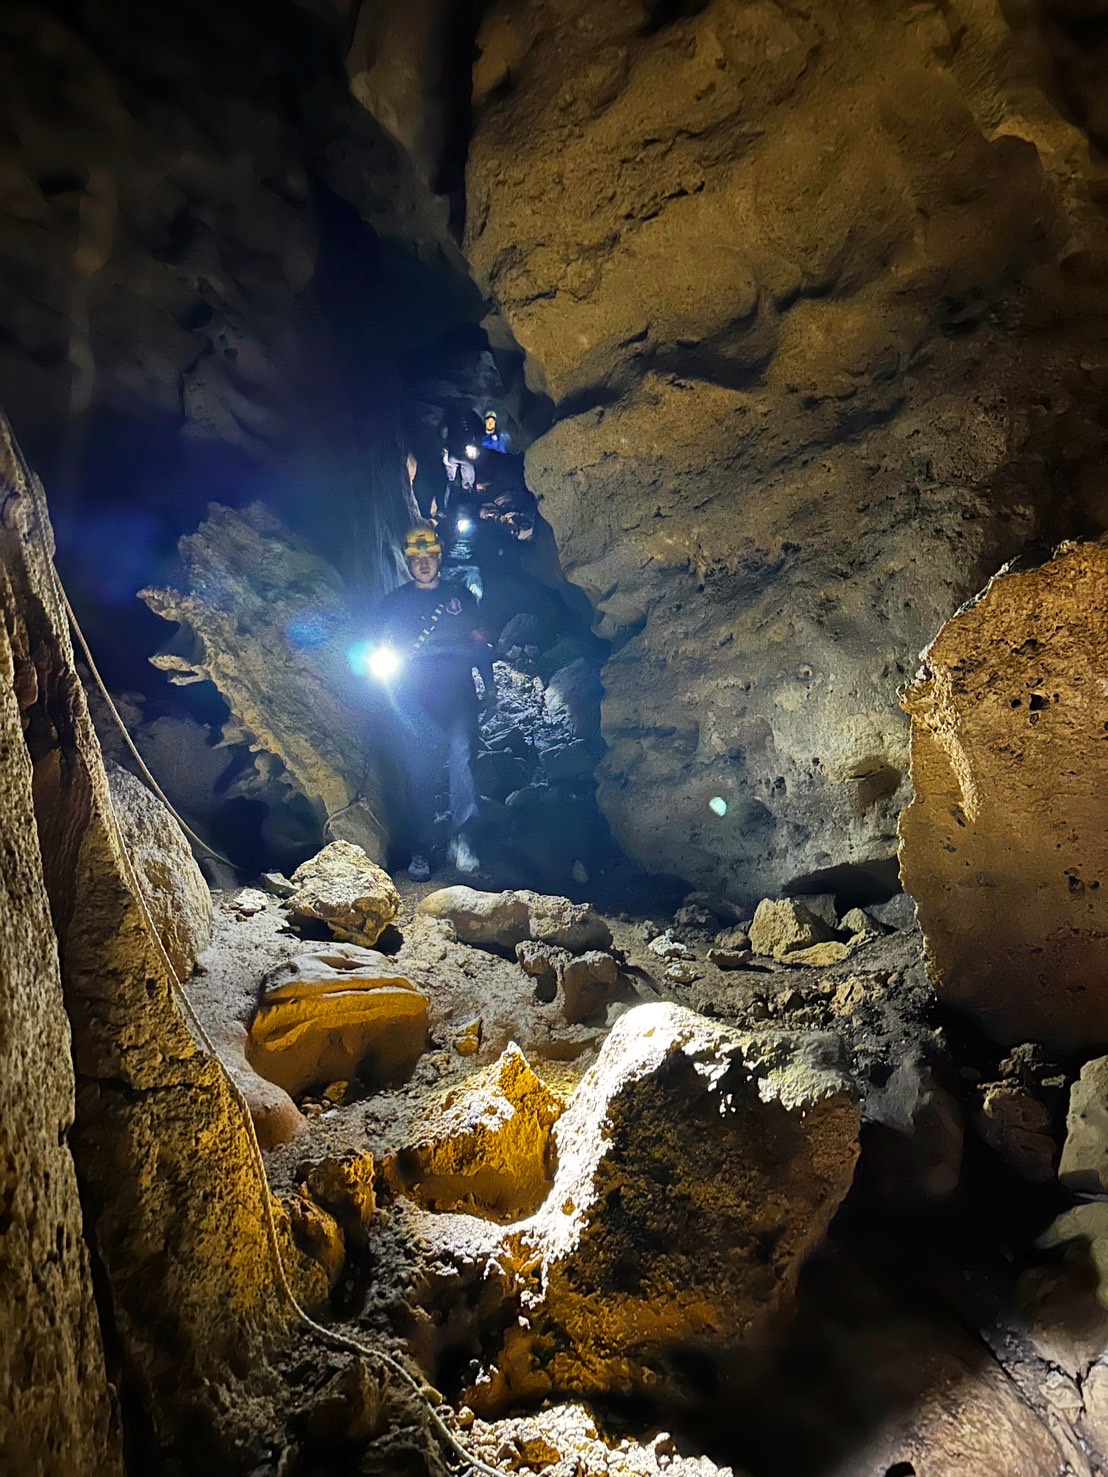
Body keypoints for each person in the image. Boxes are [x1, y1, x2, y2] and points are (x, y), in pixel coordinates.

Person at [368, 524, 495, 881]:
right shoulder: (394, 603)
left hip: (459, 696)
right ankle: (420, 848)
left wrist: (490, 686)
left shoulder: (460, 598)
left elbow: (480, 644)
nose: (423, 564)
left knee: (463, 765)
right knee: (419, 775)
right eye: (416, 558)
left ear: (439, 557)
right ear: (408, 563)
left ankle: (464, 838)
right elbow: (373, 642)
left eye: (429, 557)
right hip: (416, 700)